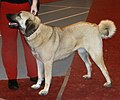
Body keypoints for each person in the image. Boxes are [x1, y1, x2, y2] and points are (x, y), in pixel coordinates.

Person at [0, 0, 42, 90]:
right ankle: (12, 78)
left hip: (27, 7)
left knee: (31, 44)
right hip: (6, 7)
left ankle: (34, 74)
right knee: (9, 44)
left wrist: (34, 4)